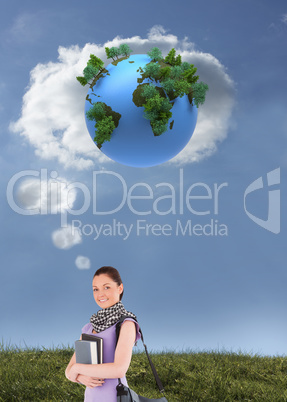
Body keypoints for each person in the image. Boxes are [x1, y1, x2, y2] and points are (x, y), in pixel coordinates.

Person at [65, 266, 141, 401]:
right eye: (95, 289)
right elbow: (69, 372)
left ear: (120, 288)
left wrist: (77, 369)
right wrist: (81, 377)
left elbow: (119, 369)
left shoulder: (126, 324)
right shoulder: (89, 328)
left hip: (115, 397)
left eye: (107, 287)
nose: (100, 294)